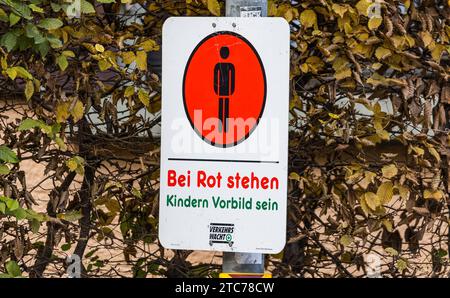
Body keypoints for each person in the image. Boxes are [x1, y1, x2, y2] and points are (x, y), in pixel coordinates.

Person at [214, 46, 235, 132]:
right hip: (221, 91)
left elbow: (232, 78)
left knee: (225, 107)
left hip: (226, 91)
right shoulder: (218, 65)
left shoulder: (230, 66)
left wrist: (231, 90)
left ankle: (225, 128)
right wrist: (216, 89)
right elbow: (215, 78)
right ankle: (220, 128)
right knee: (221, 108)